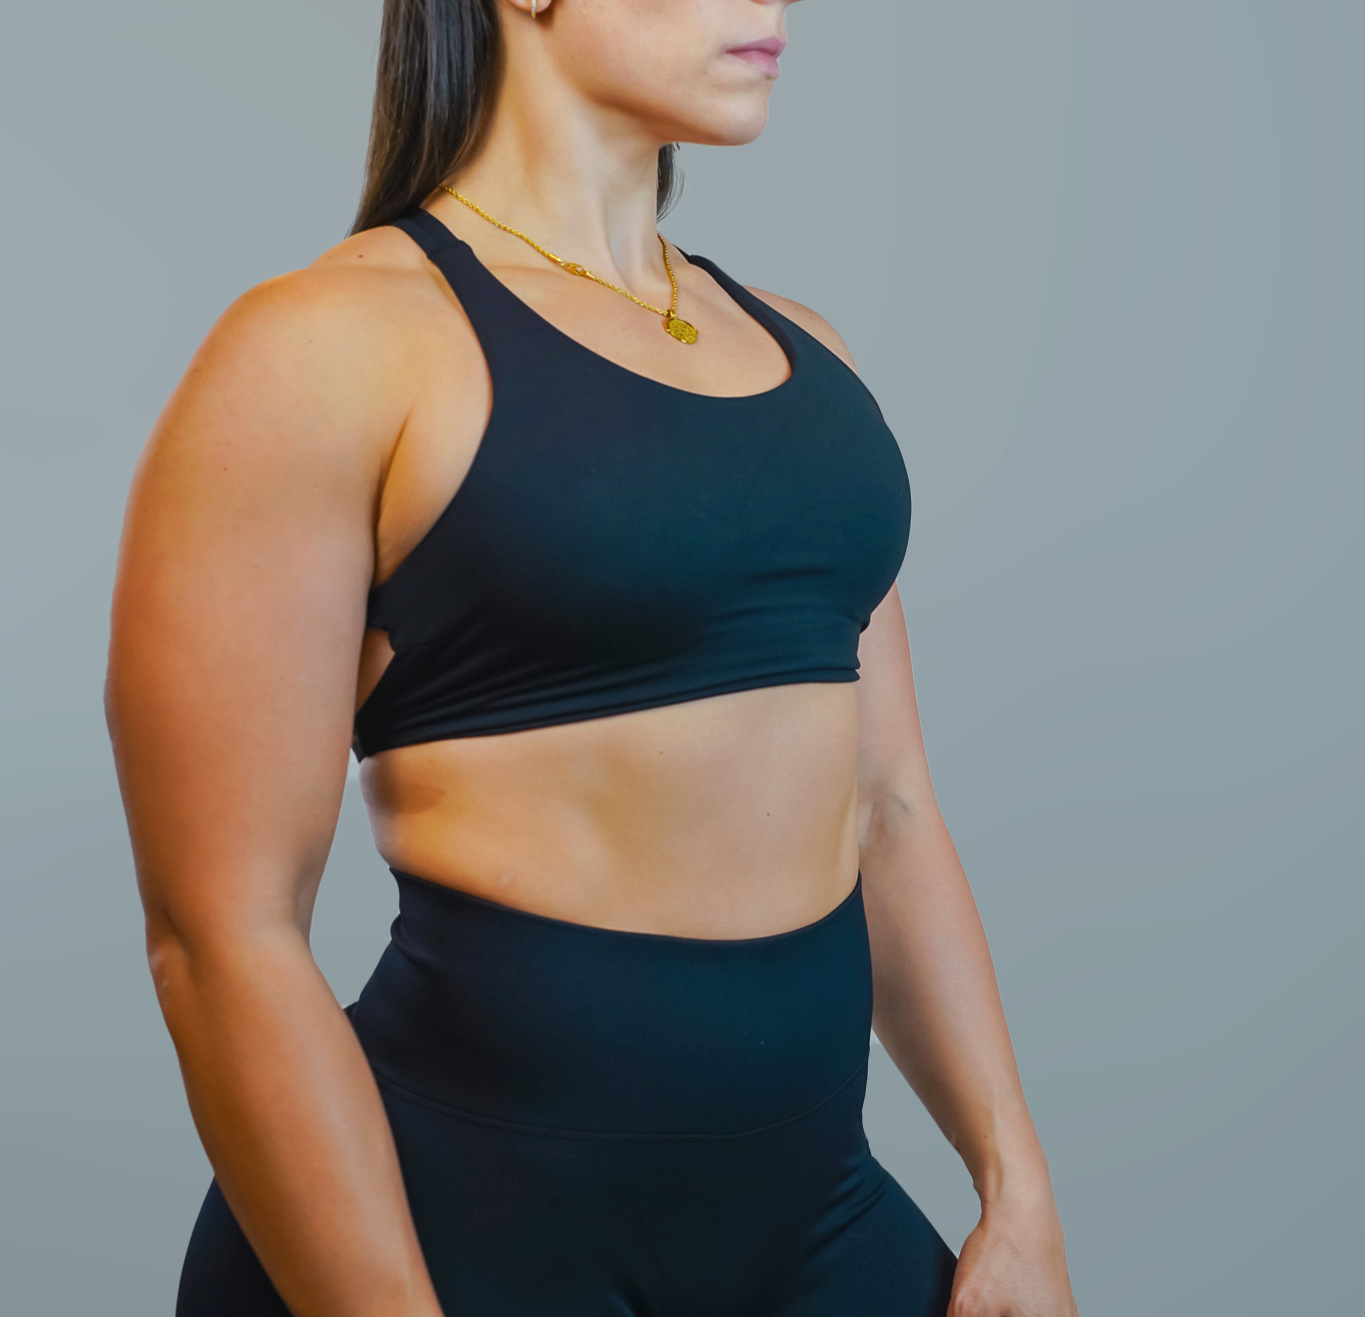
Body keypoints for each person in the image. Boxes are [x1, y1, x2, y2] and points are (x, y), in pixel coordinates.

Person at [105, 1, 1077, 1313]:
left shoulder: (808, 354)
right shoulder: (328, 348)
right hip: (464, 1236)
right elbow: (220, 929)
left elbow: (889, 807)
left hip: (813, 1218)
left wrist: (1014, 1180)